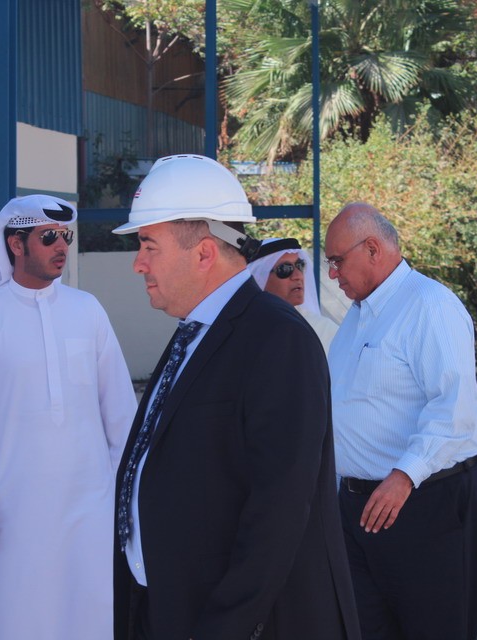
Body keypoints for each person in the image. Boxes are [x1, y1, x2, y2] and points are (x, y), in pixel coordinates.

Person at [110, 154, 361, 640]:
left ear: (204, 253)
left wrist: (223, 627)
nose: (139, 263)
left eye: (149, 245)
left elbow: (278, 512)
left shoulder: (277, 339)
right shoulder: (196, 332)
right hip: (168, 608)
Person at [0, 194, 137, 640]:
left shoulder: (87, 309)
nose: (61, 246)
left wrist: (126, 489)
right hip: (10, 504)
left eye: (66, 236)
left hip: (88, 500)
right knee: (13, 613)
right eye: (49, 236)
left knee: (88, 608)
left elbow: (120, 409)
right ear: (16, 244)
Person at [325, 202, 477, 640]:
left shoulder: (430, 305)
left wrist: (403, 476)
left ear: (372, 249)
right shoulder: (358, 315)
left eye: (337, 261)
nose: (332, 275)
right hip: (359, 508)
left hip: (421, 502)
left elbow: (453, 407)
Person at [248, 237, 339, 352]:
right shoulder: (245, 330)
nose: (298, 276)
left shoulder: (324, 330)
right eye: (285, 269)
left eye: (300, 266)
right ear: (260, 278)